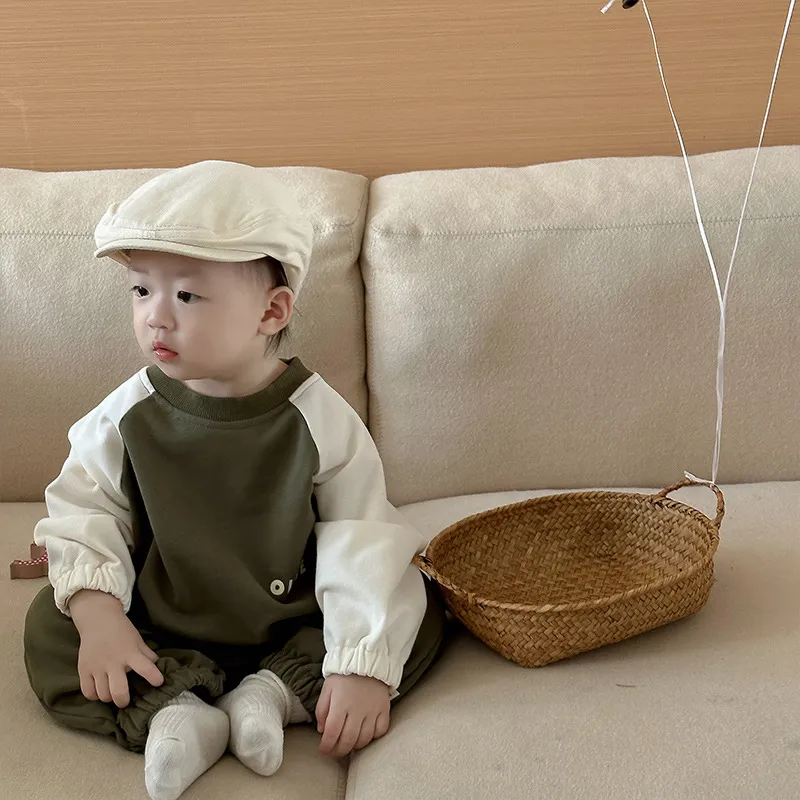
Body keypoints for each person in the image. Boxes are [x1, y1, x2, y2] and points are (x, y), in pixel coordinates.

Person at [23, 161, 446, 800]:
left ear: (271, 312)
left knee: (418, 605)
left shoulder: (319, 418)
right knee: (52, 625)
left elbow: (361, 534)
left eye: (186, 296)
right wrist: (100, 615)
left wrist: (360, 664)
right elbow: (85, 509)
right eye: (141, 290)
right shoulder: (126, 414)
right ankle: (175, 712)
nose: (155, 317)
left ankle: (272, 695)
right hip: (159, 620)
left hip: (289, 618)